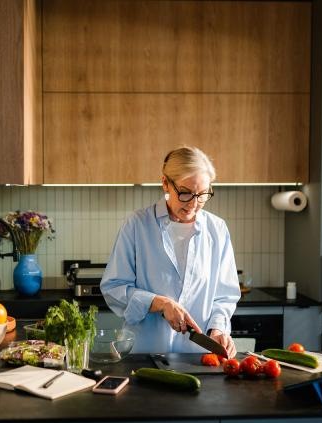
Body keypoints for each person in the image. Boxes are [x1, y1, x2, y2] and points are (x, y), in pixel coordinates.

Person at [100, 146, 241, 357]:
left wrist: (218, 328)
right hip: (144, 354)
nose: (194, 204)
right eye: (185, 193)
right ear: (165, 183)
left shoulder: (217, 229)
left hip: (198, 355)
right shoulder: (137, 225)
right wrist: (158, 303)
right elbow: (114, 288)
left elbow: (225, 296)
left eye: (202, 194)